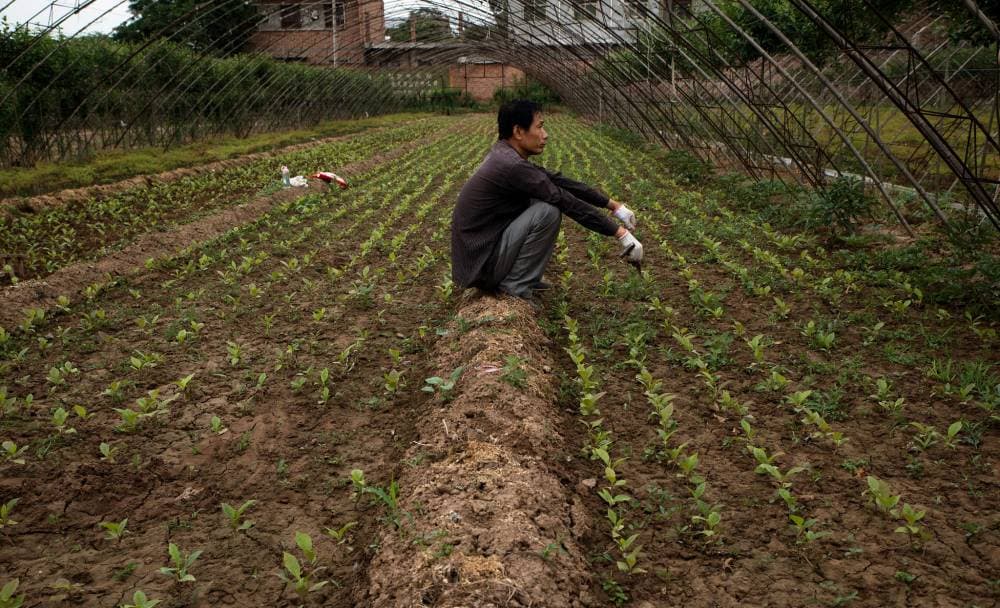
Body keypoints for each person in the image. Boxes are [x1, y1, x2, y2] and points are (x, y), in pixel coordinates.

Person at [450, 99, 643, 306]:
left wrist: (614, 206)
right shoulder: (511, 165)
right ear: (518, 132)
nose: (545, 134)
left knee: (539, 200)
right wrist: (621, 234)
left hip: (482, 256)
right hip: (482, 265)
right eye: (539, 127)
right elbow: (564, 200)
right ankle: (514, 288)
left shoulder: (505, 155)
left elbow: (559, 181)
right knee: (547, 211)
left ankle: (523, 279)